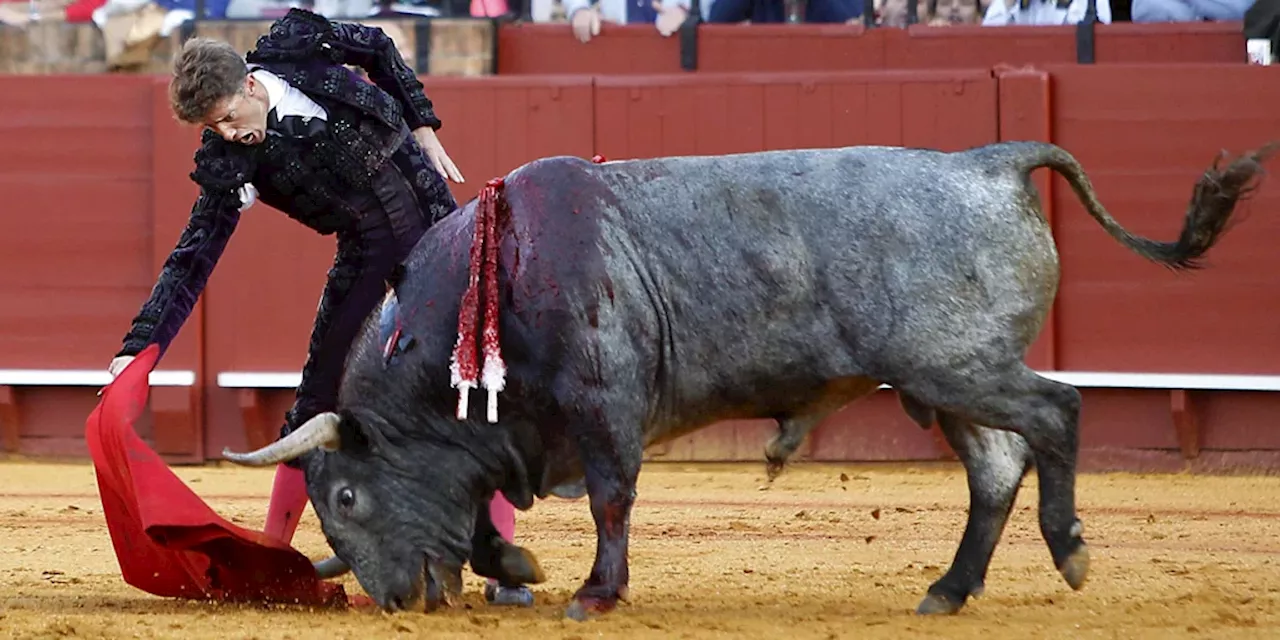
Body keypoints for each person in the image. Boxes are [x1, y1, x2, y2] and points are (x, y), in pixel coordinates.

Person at [105, 8, 532, 607]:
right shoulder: (232, 161)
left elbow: (380, 47)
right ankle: (273, 557)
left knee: (480, 386)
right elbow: (193, 255)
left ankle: (502, 572)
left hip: (440, 232)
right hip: (365, 259)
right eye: (213, 127)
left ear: (250, 84)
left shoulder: (299, 48)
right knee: (318, 399)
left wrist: (423, 126)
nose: (227, 134)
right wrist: (138, 348)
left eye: (228, 117)